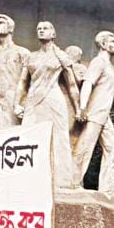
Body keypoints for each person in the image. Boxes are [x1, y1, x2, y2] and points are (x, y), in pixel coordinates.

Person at [15, 21, 81, 189]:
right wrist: (17, 103)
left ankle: (62, 181)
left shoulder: (61, 56)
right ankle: (26, 180)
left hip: (53, 98)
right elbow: (22, 82)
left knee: (59, 138)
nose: (41, 31)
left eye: (45, 28)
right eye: (38, 29)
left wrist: (78, 108)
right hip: (33, 100)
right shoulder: (31, 56)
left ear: (53, 33)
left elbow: (72, 84)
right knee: (27, 138)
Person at [71, 31, 114, 193]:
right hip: (94, 113)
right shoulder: (98, 62)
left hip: (103, 114)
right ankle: (72, 183)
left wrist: (113, 91)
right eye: (112, 41)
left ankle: (108, 185)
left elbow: (101, 87)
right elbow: (87, 83)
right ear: (103, 45)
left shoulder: (108, 65)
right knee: (84, 148)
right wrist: (82, 107)